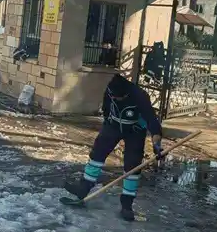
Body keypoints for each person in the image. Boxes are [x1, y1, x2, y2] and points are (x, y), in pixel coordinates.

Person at [64, 74, 163, 221]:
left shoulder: (140, 95)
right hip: (114, 125)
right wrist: (108, 123)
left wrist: (156, 145)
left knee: (132, 165)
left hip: (135, 130)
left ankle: (127, 205)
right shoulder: (110, 91)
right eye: (114, 96)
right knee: (97, 153)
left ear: (126, 94)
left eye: (119, 98)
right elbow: (106, 109)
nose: (116, 99)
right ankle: (83, 189)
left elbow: (152, 122)